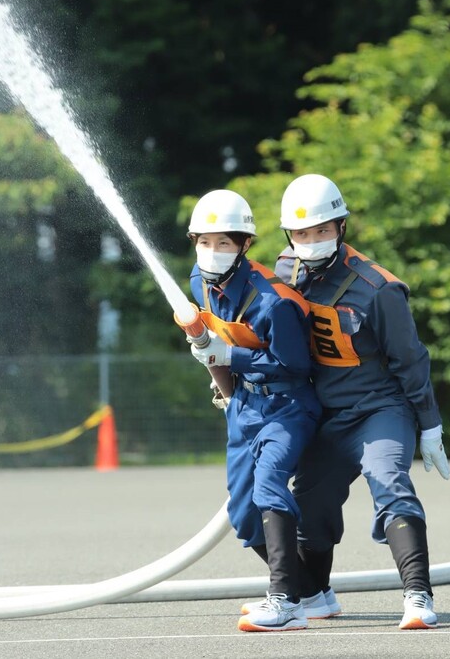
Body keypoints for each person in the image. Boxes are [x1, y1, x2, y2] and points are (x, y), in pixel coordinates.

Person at [274, 173, 450, 630]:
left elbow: (411, 359)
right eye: (301, 234)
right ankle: (316, 594)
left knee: (388, 477)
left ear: (341, 228)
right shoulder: (283, 273)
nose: (311, 242)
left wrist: (429, 425)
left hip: (379, 409)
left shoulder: (379, 288)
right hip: (324, 415)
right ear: (288, 236)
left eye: (321, 231)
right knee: (308, 502)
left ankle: (417, 594)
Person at [185, 189, 323, 632]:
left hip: (287, 406)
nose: (212, 252)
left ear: (245, 245)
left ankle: (284, 602)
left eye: (224, 243)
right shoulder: (198, 282)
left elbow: (295, 365)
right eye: (204, 242)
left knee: (268, 487)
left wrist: (228, 356)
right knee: (243, 515)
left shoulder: (274, 300)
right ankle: (312, 591)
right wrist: (205, 350)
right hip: (243, 406)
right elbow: (210, 337)